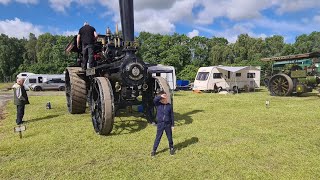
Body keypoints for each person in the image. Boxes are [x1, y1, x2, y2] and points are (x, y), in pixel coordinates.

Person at [151, 91, 175, 157]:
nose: (166, 98)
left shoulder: (169, 106)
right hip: (160, 124)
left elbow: (172, 116)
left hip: (168, 124)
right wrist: (160, 96)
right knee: (158, 137)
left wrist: (172, 125)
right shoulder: (158, 105)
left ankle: (171, 148)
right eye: (164, 97)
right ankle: (154, 150)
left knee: (169, 137)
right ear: (161, 99)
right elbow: (155, 100)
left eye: (166, 96)